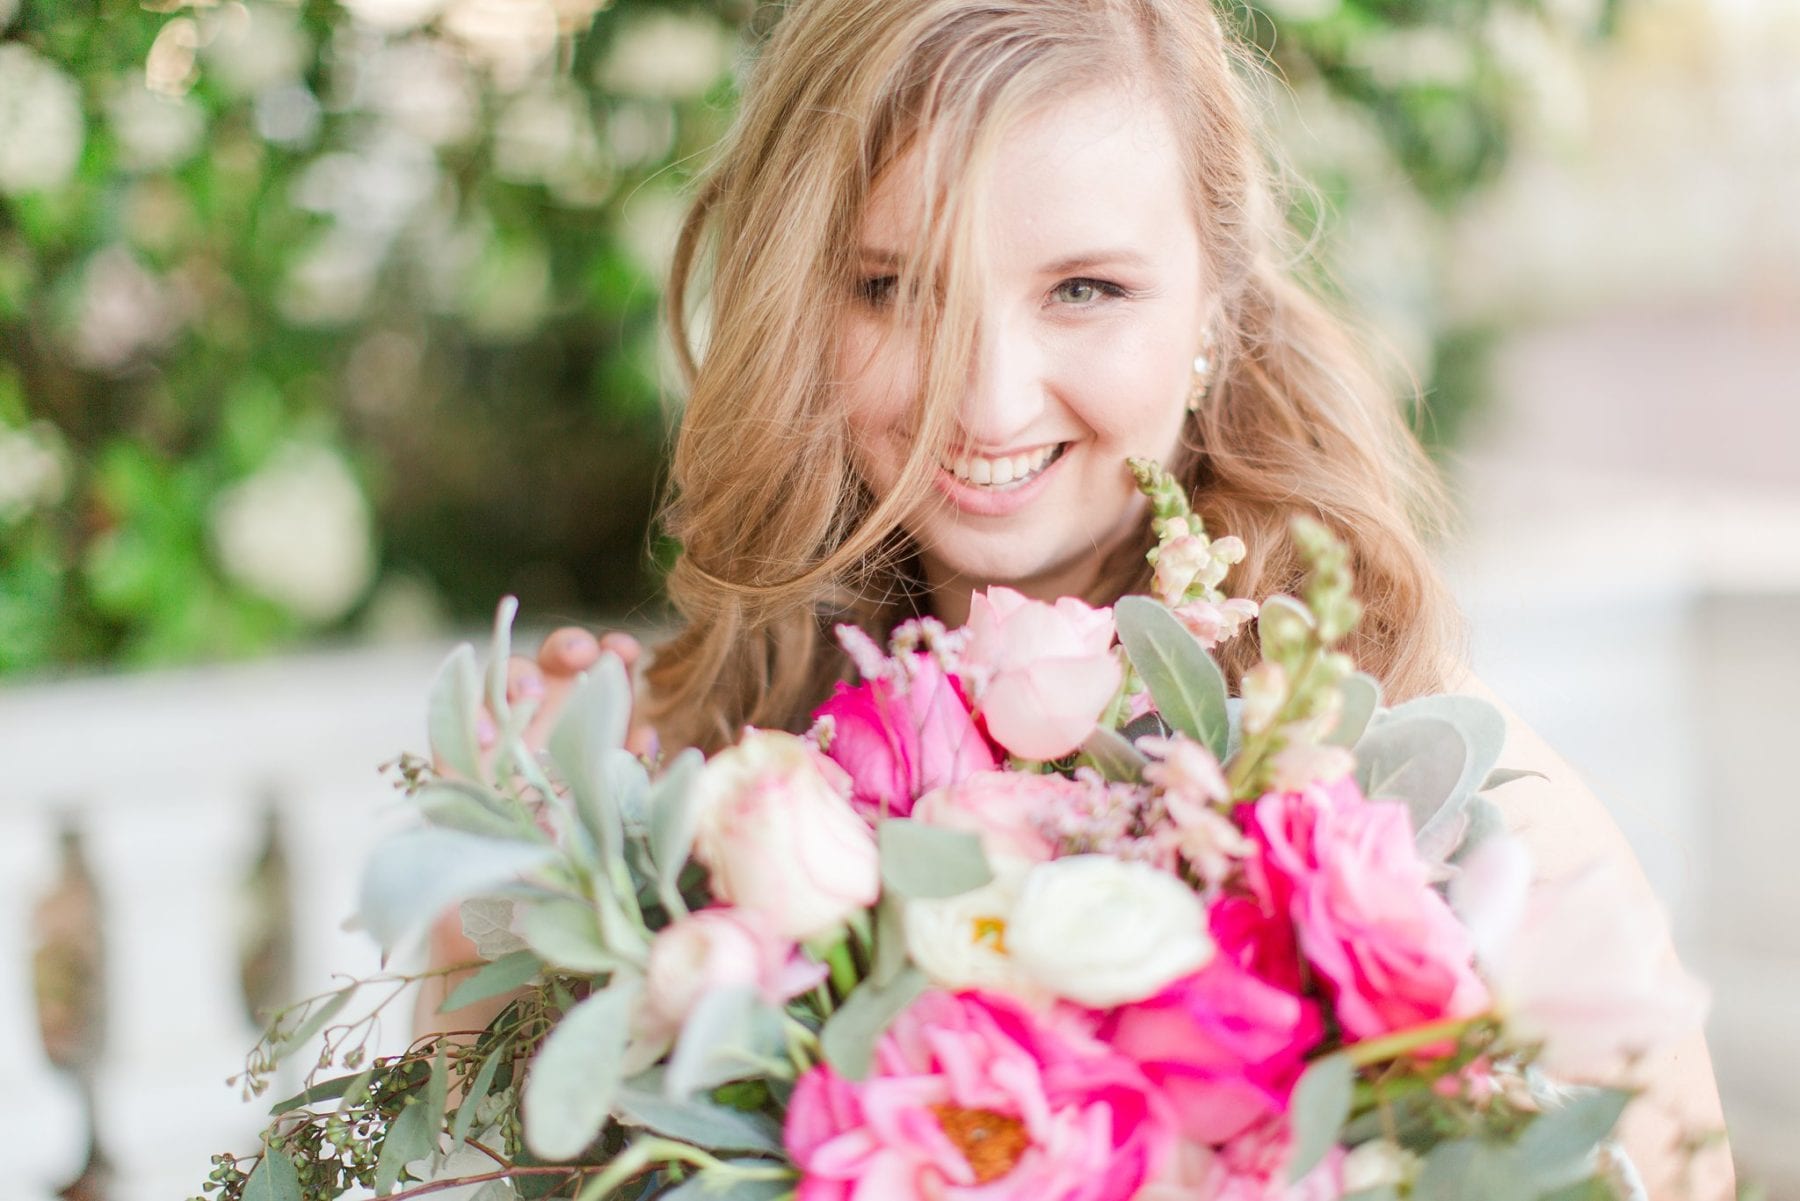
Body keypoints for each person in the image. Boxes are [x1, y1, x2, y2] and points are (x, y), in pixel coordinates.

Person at [417, 0, 1733, 1193]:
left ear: (1215, 301)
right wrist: (501, 903)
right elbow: (468, 1169)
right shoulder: (666, 785)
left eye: (1085, 290)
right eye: (894, 288)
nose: (986, 401)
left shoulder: (1437, 821)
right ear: (799, 299)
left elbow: (1666, 1164)